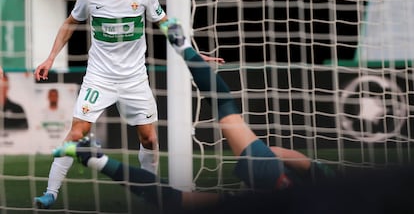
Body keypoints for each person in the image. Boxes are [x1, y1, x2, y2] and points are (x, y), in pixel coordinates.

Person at [52, 19, 334, 212]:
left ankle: (182, 46)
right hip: (270, 195)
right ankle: (95, 159)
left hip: (278, 184)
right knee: (172, 200)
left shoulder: (338, 189)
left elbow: (300, 160)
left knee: (226, 109)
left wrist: (264, 156)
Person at [33, 0, 223, 209]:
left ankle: (153, 191)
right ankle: (50, 192)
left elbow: (165, 23)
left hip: (134, 79)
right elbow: (70, 23)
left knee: (150, 138)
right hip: (99, 77)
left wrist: (190, 51)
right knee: (77, 133)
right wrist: (51, 57)